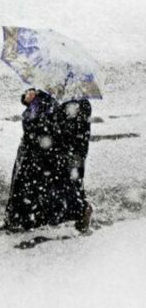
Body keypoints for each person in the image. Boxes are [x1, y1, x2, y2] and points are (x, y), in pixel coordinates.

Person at [2, 88, 88, 232]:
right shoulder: (49, 87)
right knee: (28, 183)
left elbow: (74, 135)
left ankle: (81, 211)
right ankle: (19, 218)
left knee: (58, 187)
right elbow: (36, 102)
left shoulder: (77, 100)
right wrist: (28, 98)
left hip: (54, 150)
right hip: (36, 147)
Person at [55, 98, 94, 232]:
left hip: (74, 151)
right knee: (73, 181)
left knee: (72, 181)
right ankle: (80, 210)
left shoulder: (80, 105)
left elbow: (73, 129)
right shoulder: (73, 104)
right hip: (73, 150)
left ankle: (83, 210)